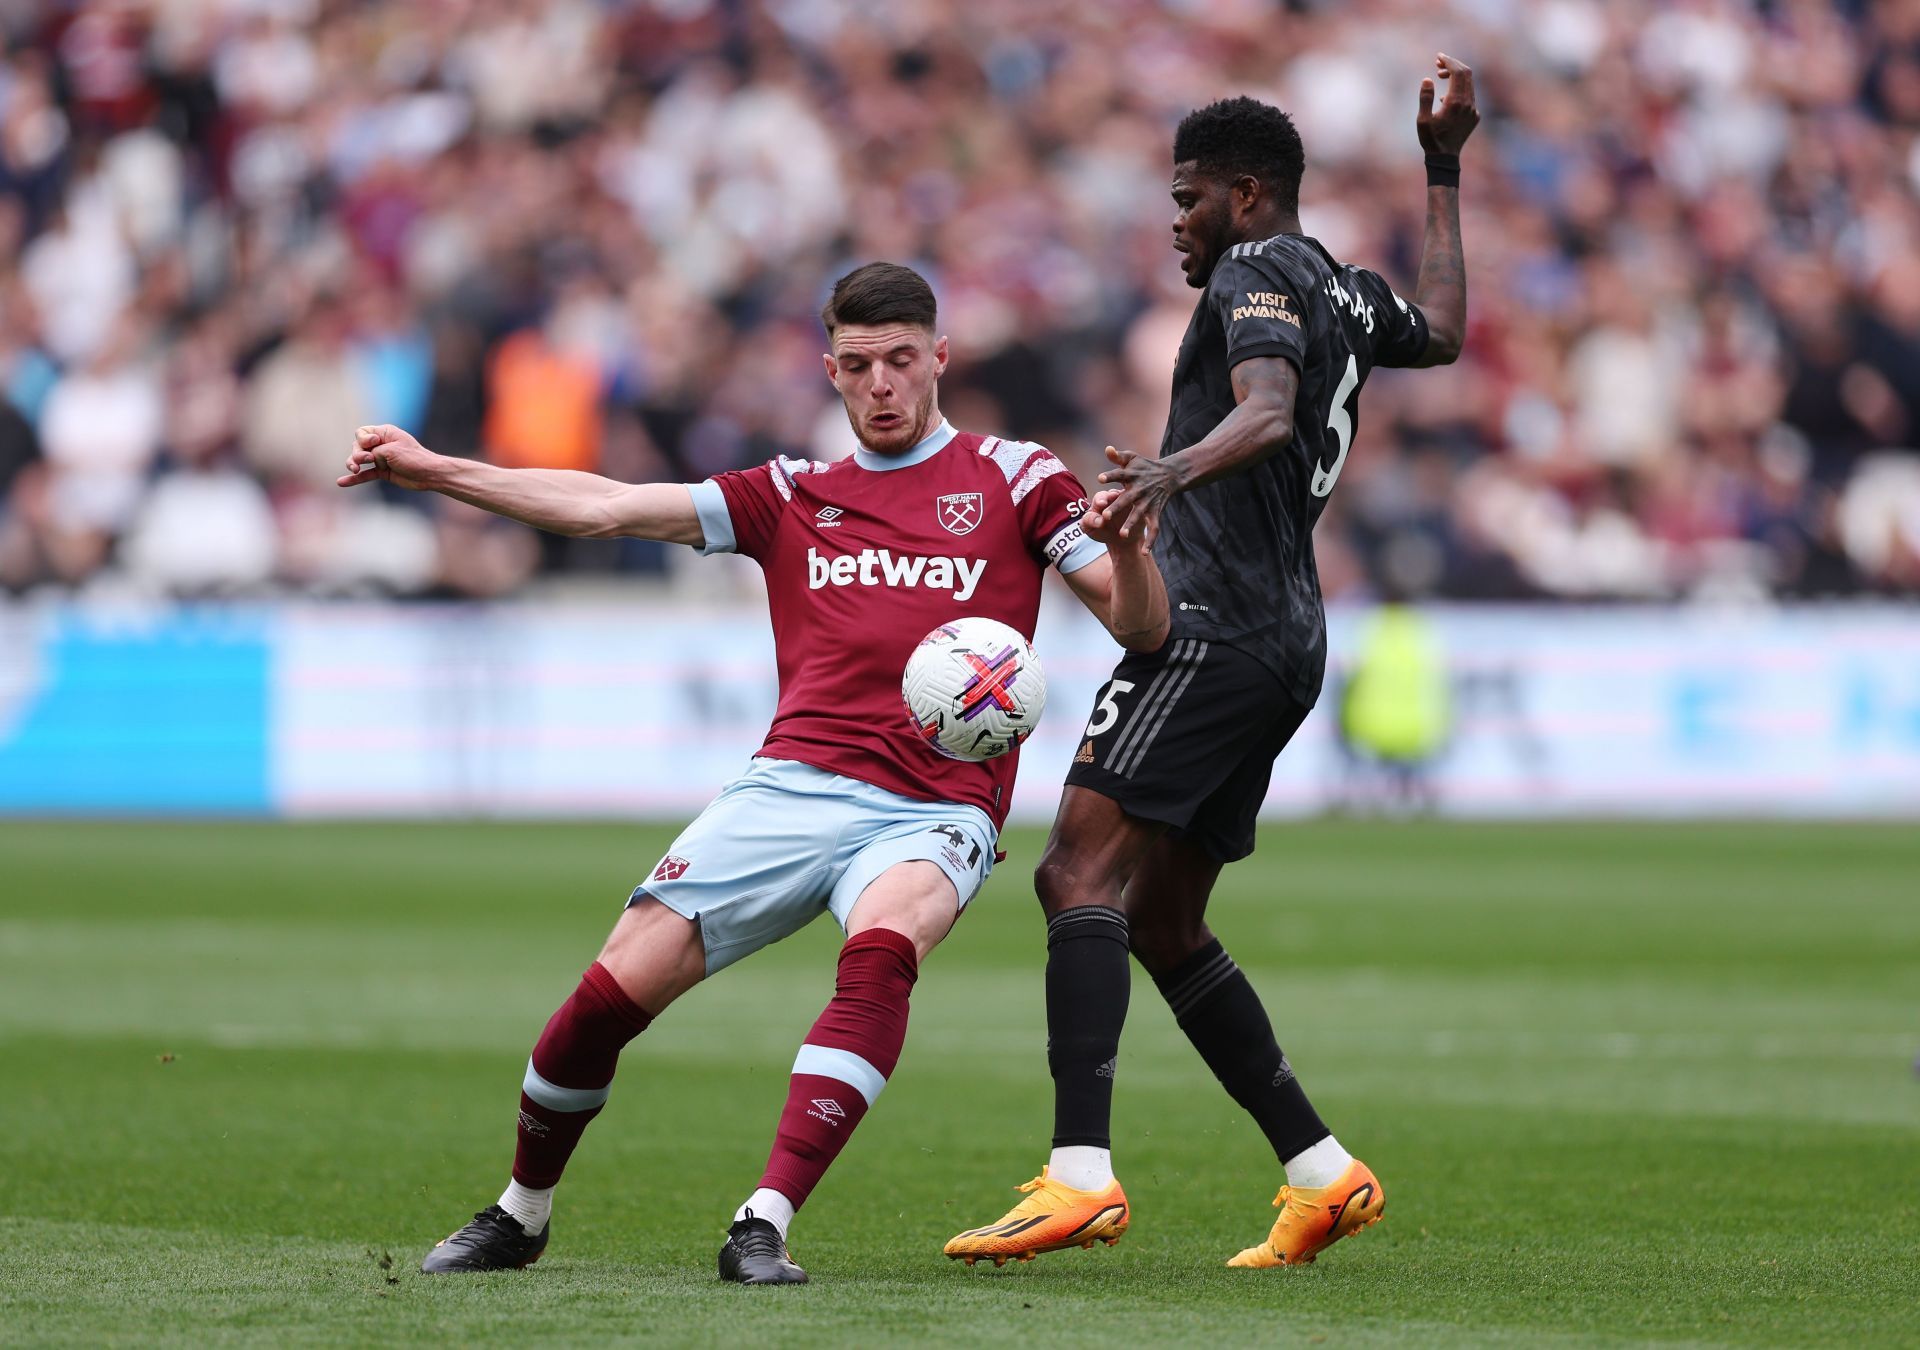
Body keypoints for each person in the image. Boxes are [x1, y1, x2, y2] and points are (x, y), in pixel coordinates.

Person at [337, 262, 1169, 1284]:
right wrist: (437, 470)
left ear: (939, 359)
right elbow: (605, 508)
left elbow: (1141, 623)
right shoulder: (792, 494)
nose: (882, 385)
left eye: (902, 360)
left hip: (934, 806)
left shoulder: (1018, 478)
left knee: (886, 941)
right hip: (787, 789)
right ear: (829, 370)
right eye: (859, 365)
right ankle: (520, 1211)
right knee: (607, 999)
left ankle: (762, 1220)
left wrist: (1130, 553)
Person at [946, 55, 1477, 1270]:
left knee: (1075, 870)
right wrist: (1442, 167)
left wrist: (1170, 470)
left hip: (1213, 622)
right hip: (1286, 636)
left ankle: (1079, 1174)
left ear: (1247, 192)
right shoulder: (1343, 288)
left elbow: (1270, 408)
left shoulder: (1257, 269)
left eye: (1187, 196)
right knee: (1167, 920)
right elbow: (1442, 330)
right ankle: (1322, 1171)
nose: (1174, 221)